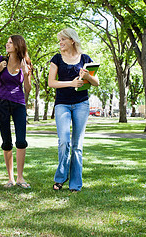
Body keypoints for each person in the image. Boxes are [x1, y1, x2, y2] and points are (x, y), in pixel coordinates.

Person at [48, 28, 99, 193]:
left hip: (81, 104)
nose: (61, 43)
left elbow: (96, 82)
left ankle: (76, 183)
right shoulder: (56, 59)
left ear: (72, 41)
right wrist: (71, 83)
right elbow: (51, 83)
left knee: (77, 145)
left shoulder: (85, 59)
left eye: (63, 39)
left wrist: (87, 76)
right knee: (64, 141)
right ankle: (61, 177)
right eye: (60, 40)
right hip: (62, 103)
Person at [0, 35, 32, 189]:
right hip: (1, 102)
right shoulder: (1, 60)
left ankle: (20, 177)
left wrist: (25, 72)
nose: (7, 44)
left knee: (21, 141)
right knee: (6, 141)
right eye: (7, 42)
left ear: (17, 45)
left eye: (10, 42)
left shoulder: (25, 62)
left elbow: (27, 89)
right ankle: (10, 179)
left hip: (19, 104)